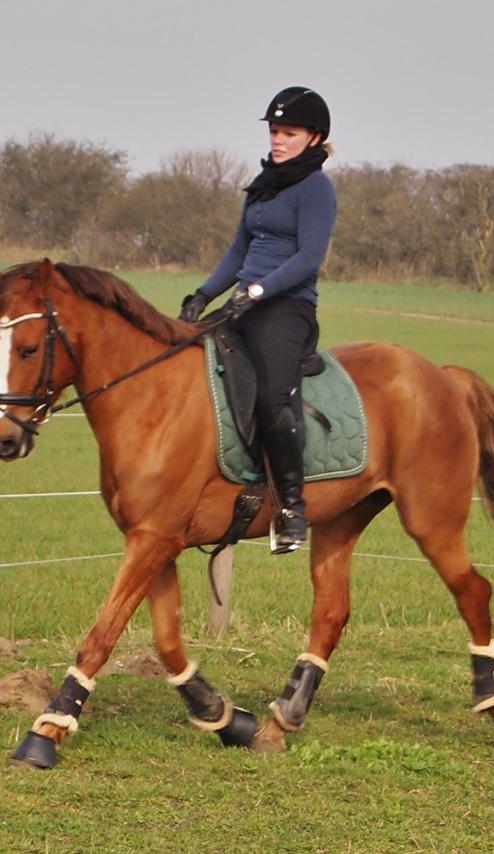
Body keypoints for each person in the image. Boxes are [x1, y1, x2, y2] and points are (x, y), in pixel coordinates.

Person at [179, 86, 337, 554]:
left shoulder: (316, 189)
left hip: (286, 309)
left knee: (272, 400)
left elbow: (309, 257)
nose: (278, 139)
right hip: (242, 303)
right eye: (274, 130)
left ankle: (291, 509)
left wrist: (258, 291)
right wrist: (204, 294)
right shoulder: (264, 184)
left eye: (289, 132)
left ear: (314, 137)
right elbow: (238, 251)